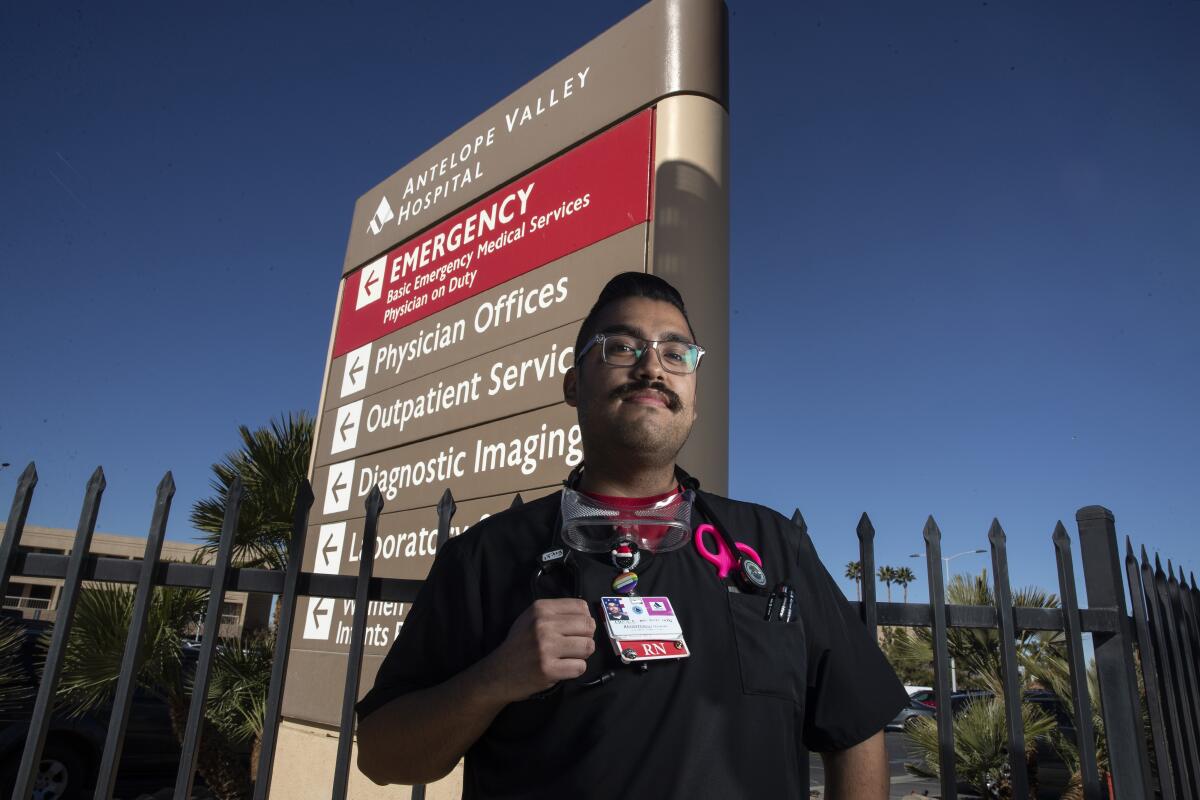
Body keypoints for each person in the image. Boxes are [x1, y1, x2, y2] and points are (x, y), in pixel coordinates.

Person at [356, 272, 907, 798]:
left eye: (676, 353)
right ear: (573, 383)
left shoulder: (770, 544)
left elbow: (855, 726)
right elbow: (382, 757)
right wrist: (493, 679)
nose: (652, 368)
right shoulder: (485, 557)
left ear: (693, 395)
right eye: (620, 347)